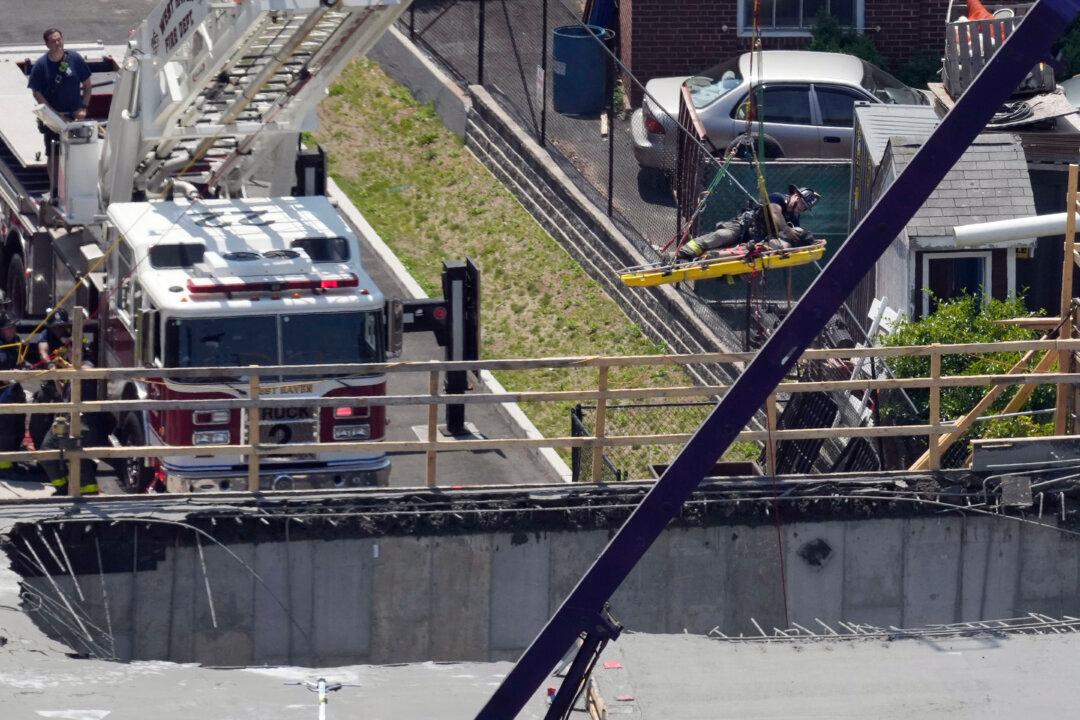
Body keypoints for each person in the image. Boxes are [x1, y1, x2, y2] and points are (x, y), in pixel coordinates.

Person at [678, 185, 821, 261]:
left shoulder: (794, 219)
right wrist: (785, 228)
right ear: (795, 195)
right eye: (802, 203)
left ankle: (705, 259)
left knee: (742, 259)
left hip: (756, 240)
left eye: (805, 208)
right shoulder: (777, 198)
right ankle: (685, 252)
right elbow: (774, 212)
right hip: (743, 226)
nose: (801, 209)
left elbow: (789, 238)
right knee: (724, 235)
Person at [26, 28, 92, 181]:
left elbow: (87, 85)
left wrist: (83, 108)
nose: (58, 43)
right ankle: (55, 190)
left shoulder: (74, 58)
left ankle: (76, 184)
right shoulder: (41, 65)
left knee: (77, 153)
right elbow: (36, 92)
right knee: (54, 154)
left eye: (59, 40)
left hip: (75, 119)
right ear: (47, 45)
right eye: (53, 41)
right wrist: (53, 114)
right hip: (54, 121)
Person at [0, 312, 25, 470]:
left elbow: (20, 360)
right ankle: (5, 466)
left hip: (14, 389)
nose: (13, 330)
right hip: (2, 391)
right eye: (9, 328)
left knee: (19, 425)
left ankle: (15, 458)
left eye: (14, 327)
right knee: (6, 429)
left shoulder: (16, 341)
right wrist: (10, 378)